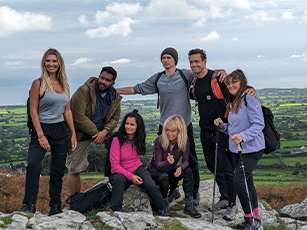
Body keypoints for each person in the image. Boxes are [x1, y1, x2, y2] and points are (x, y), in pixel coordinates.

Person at [116, 47, 227, 205]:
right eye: (163, 58)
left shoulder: (185, 75)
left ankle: (194, 194)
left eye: (168, 57)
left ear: (175, 60)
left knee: (191, 161)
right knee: (162, 162)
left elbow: (205, 73)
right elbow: (137, 89)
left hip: (184, 126)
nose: (165, 60)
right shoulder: (157, 79)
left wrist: (221, 71)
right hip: (165, 126)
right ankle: (172, 190)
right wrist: (114, 90)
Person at [20, 48, 77, 216]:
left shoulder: (64, 84)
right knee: (33, 165)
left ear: (60, 64)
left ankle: (55, 206)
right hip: (41, 128)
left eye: (54, 61)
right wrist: (41, 135)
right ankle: (29, 204)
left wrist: (73, 133)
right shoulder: (38, 83)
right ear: (44, 63)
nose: (51, 64)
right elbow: (33, 111)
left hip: (60, 129)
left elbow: (67, 111)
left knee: (57, 170)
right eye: (48, 61)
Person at [214, 69, 264, 230]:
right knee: (248, 182)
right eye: (228, 83)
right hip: (237, 150)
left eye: (234, 82)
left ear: (242, 81)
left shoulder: (250, 98)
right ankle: (255, 218)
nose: (230, 86)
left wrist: (242, 136)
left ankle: (250, 219)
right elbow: (234, 127)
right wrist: (223, 126)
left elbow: (259, 124)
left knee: (239, 181)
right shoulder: (232, 101)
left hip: (251, 148)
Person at [66, 66, 121, 194]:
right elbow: (78, 117)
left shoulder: (115, 96)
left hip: (102, 130)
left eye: (107, 80)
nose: (103, 81)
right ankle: (75, 200)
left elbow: (115, 119)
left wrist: (105, 131)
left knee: (122, 134)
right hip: (80, 133)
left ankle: (114, 171)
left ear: (112, 83)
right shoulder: (84, 91)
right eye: (102, 78)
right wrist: (97, 134)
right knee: (74, 169)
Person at [109, 110, 169, 215]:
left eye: (132, 124)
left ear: (138, 126)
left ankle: (162, 207)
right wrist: (131, 176)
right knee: (119, 180)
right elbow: (114, 166)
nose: (128, 127)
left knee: (150, 184)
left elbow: (136, 159)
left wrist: (135, 174)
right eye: (127, 123)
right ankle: (116, 209)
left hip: (137, 168)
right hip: (119, 171)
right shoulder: (117, 140)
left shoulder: (139, 138)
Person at [148, 115, 201, 218]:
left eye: (173, 131)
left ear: (179, 131)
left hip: (170, 171)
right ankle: (163, 204)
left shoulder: (184, 141)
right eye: (167, 130)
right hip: (154, 172)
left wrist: (180, 168)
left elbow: (186, 161)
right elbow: (158, 165)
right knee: (163, 176)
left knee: (188, 171)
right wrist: (167, 162)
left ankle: (189, 205)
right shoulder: (159, 140)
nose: (169, 133)